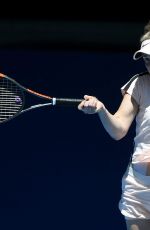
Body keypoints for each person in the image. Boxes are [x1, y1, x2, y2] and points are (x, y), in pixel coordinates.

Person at [78, 20, 150, 230]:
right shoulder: (140, 84)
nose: (149, 65)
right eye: (146, 59)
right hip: (139, 187)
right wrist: (101, 109)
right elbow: (118, 130)